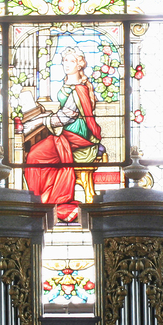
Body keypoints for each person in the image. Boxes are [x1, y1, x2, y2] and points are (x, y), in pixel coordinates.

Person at [23, 46, 104, 222]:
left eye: (71, 61)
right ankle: (42, 198)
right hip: (66, 132)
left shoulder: (79, 89)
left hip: (78, 136)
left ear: (80, 64)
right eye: (65, 60)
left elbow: (66, 117)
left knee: (34, 156)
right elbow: (62, 113)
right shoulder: (69, 84)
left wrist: (38, 121)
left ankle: (40, 201)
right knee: (37, 153)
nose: (66, 64)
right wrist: (43, 117)